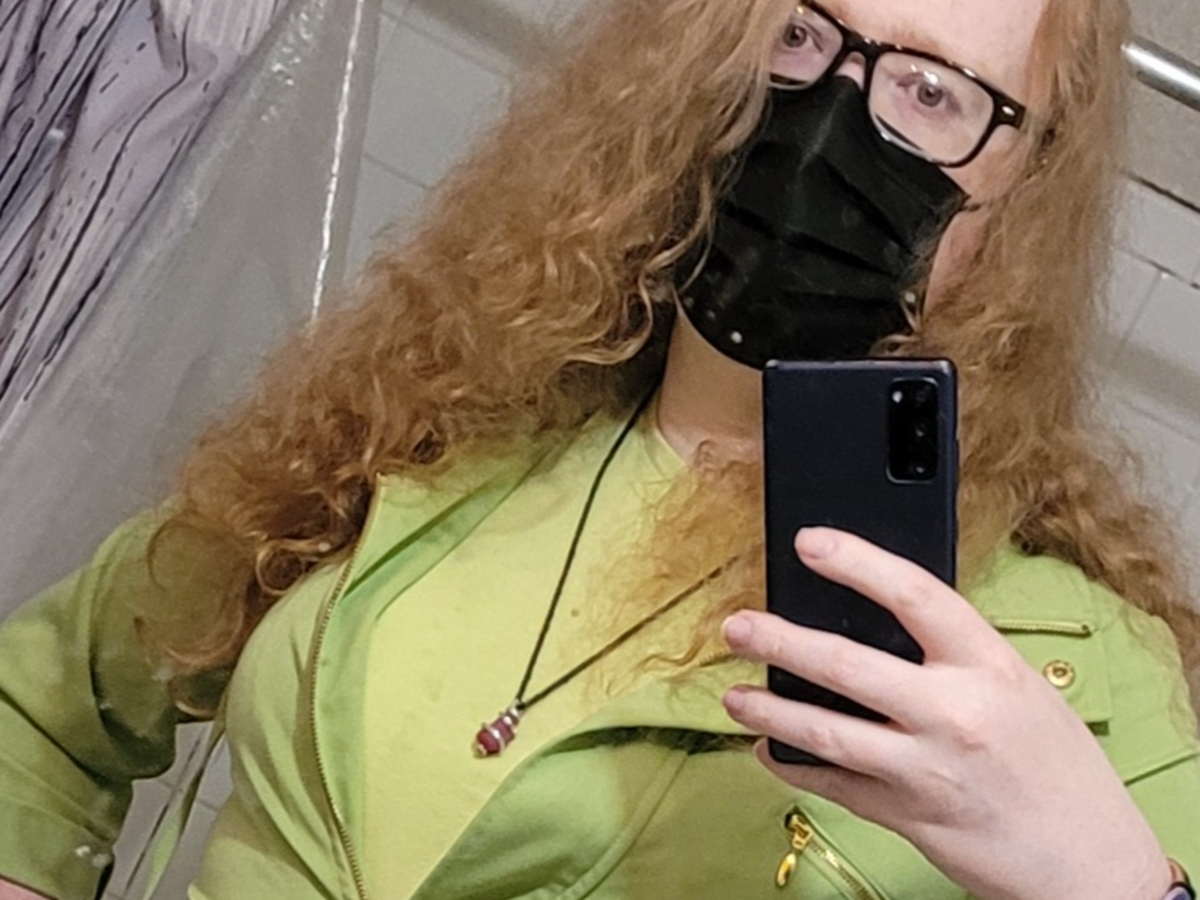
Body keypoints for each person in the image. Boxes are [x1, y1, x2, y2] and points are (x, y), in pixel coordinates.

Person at [1, 0, 1198, 898]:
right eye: (798, 34)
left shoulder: (1074, 669)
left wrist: (1112, 886)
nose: (832, 121)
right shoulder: (434, 404)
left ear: (1023, 198)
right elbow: (44, 709)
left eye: (933, 94)